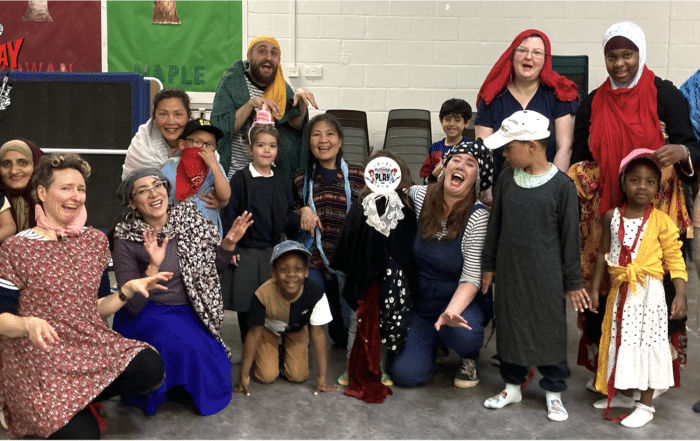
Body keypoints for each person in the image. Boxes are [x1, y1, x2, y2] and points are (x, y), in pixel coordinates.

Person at [0, 153, 171, 439]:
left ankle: (80, 396)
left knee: (149, 367)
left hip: (85, 347)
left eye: (80, 189)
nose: (76, 196)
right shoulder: (15, 248)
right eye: (66, 188)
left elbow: (96, 308)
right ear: (42, 193)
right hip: (39, 358)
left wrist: (126, 291)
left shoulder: (94, 241)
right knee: (83, 435)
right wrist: (27, 324)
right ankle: (32, 404)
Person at [569, 22, 699, 387]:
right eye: (612, 57)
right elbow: (578, 156)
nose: (620, 64)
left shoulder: (663, 94)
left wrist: (681, 151)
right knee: (604, 291)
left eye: (627, 55)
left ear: (640, 54)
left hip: (657, 215)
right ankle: (611, 373)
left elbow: (693, 145)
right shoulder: (593, 102)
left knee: (656, 294)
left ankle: (650, 379)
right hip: (607, 214)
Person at [111, 168, 253, 417]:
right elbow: (132, 304)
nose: (153, 194)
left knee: (216, 362)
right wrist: (153, 266)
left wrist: (228, 243)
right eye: (143, 190)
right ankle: (156, 389)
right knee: (183, 346)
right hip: (146, 312)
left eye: (157, 185)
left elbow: (212, 270)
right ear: (132, 203)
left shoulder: (191, 220)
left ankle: (179, 381)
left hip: (188, 308)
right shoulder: (125, 237)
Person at [481, 111, 588, 422]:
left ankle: (553, 393)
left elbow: (570, 239)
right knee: (510, 327)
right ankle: (512, 385)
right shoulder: (506, 179)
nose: (504, 154)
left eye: (508, 148)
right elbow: (495, 226)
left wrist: (572, 281)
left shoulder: (562, 187)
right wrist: (489, 265)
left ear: (531, 146)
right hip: (510, 273)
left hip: (546, 277)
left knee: (548, 330)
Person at [589, 149, 687, 428]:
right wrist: (595, 289)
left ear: (657, 188)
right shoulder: (611, 217)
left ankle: (645, 404)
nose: (642, 186)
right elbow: (602, 253)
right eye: (635, 180)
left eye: (650, 182)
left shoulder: (662, 221)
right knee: (620, 342)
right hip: (620, 294)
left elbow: (675, 259)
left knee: (648, 344)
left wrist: (680, 293)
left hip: (649, 296)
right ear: (623, 183)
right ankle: (625, 394)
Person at [388, 139, 494, 390]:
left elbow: (471, 278)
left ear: (478, 178)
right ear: (445, 167)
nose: (460, 166)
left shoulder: (478, 216)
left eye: (470, 164)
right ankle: (433, 342)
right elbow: (390, 190)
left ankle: (468, 356)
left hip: (461, 301)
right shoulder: (420, 196)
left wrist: (451, 312)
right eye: (456, 160)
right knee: (405, 375)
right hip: (422, 304)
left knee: (463, 333)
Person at [331, 151, 418, 403]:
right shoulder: (360, 207)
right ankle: (353, 365)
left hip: (392, 283)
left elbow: (407, 248)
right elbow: (347, 242)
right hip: (363, 279)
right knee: (357, 323)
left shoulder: (406, 210)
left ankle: (381, 367)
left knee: (388, 324)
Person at [220, 107, 300, 342]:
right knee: (247, 303)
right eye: (261, 145)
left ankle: (268, 348)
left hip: (272, 253)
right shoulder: (240, 179)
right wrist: (232, 246)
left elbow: (287, 215)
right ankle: (249, 346)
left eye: (272, 146)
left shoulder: (282, 181)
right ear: (250, 149)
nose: (266, 150)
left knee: (270, 303)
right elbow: (230, 214)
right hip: (245, 251)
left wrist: (306, 217)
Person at [292, 113, 365, 347]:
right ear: (309, 142)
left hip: (348, 262)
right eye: (316, 135)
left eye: (330, 134)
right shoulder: (301, 179)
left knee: (342, 336)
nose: (323, 140)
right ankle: (296, 345)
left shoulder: (359, 176)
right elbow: (288, 213)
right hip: (315, 259)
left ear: (340, 140)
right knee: (307, 290)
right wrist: (302, 211)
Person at [475, 29, 579, 186]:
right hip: (500, 187)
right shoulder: (492, 98)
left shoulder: (560, 96)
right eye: (522, 50)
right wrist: (486, 190)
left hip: (546, 187)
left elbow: (565, 148)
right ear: (512, 55)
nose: (528, 57)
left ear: (545, 60)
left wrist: (553, 189)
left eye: (537, 53)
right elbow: (484, 151)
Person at [234, 240, 338, 395]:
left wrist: (322, 379)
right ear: (273, 273)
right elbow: (254, 334)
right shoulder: (263, 294)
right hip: (268, 330)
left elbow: (318, 334)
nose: (291, 275)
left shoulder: (315, 294)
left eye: (298, 269)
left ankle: (285, 353)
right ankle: (272, 351)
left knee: (297, 376)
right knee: (266, 376)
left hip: (297, 329)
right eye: (283, 269)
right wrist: (243, 376)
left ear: (306, 272)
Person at [211, 35, 318, 181]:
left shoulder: (281, 88)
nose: (268, 57)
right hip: (233, 176)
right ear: (249, 56)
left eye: (274, 53)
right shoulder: (231, 82)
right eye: (262, 51)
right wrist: (251, 104)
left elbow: (295, 125)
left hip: (268, 178)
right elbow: (222, 127)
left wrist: (301, 102)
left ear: (278, 60)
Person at [160, 118, 231, 236]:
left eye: (210, 144)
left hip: (208, 235)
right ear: (182, 144)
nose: (203, 148)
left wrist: (214, 165)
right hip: (176, 234)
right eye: (197, 142)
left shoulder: (215, 169)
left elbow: (225, 196)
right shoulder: (167, 170)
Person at [122, 88, 191, 180]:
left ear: (188, 116)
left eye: (178, 114)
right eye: (163, 114)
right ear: (154, 116)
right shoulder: (142, 142)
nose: (170, 122)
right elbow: (130, 184)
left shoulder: (201, 140)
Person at [419, 98, 472, 183]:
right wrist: (435, 174)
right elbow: (425, 182)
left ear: (467, 123)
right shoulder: (434, 148)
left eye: (457, 120)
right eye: (447, 119)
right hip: (437, 190)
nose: (452, 124)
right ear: (441, 121)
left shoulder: (471, 148)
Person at [0, 138, 44, 231]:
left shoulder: (51, 199)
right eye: (6, 164)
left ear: (36, 165)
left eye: (23, 163)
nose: (14, 171)